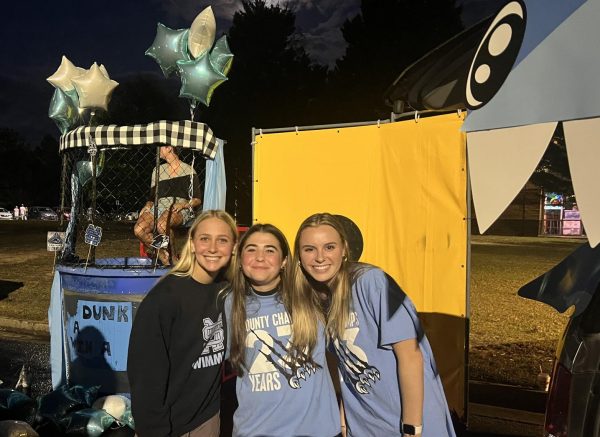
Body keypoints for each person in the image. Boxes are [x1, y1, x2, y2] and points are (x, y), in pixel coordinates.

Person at [291, 213, 456, 437]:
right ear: (299, 256)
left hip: (407, 423)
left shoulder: (371, 282)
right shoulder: (318, 299)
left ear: (344, 249)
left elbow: (410, 356)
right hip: (365, 425)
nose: (320, 257)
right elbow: (345, 366)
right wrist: (343, 422)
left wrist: (412, 428)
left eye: (329, 247)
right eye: (309, 249)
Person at [127, 210, 238, 437]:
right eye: (205, 238)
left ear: (234, 247)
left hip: (206, 420)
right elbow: (145, 378)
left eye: (223, 240)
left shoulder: (227, 291)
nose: (213, 248)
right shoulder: (165, 298)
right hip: (168, 426)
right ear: (193, 243)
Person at [225, 223, 341, 437]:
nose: (260, 257)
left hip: (316, 431)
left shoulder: (312, 295)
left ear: (284, 261)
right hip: (256, 431)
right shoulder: (229, 304)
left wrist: (341, 409)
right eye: (251, 249)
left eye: (270, 250)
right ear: (240, 259)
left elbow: (334, 356)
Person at [134, 145, 202, 265]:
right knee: (139, 229)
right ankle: (160, 252)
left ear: (169, 148)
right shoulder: (158, 170)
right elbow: (152, 198)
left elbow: (197, 199)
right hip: (158, 207)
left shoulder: (188, 170)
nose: (157, 150)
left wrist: (184, 204)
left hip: (179, 208)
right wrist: (147, 206)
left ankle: (172, 257)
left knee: (162, 225)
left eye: (160, 147)